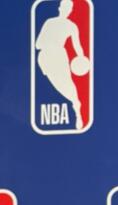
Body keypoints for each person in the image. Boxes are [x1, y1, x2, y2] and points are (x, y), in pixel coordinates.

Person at [34, 0, 87, 130]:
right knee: (54, 84)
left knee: (66, 83)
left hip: (59, 57)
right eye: (64, 7)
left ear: (70, 11)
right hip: (45, 57)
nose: (66, 10)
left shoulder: (71, 26)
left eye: (69, 8)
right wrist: (50, 44)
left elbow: (77, 46)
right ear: (60, 8)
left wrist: (81, 58)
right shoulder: (49, 22)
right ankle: (75, 103)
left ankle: (77, 108)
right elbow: (37, 44)